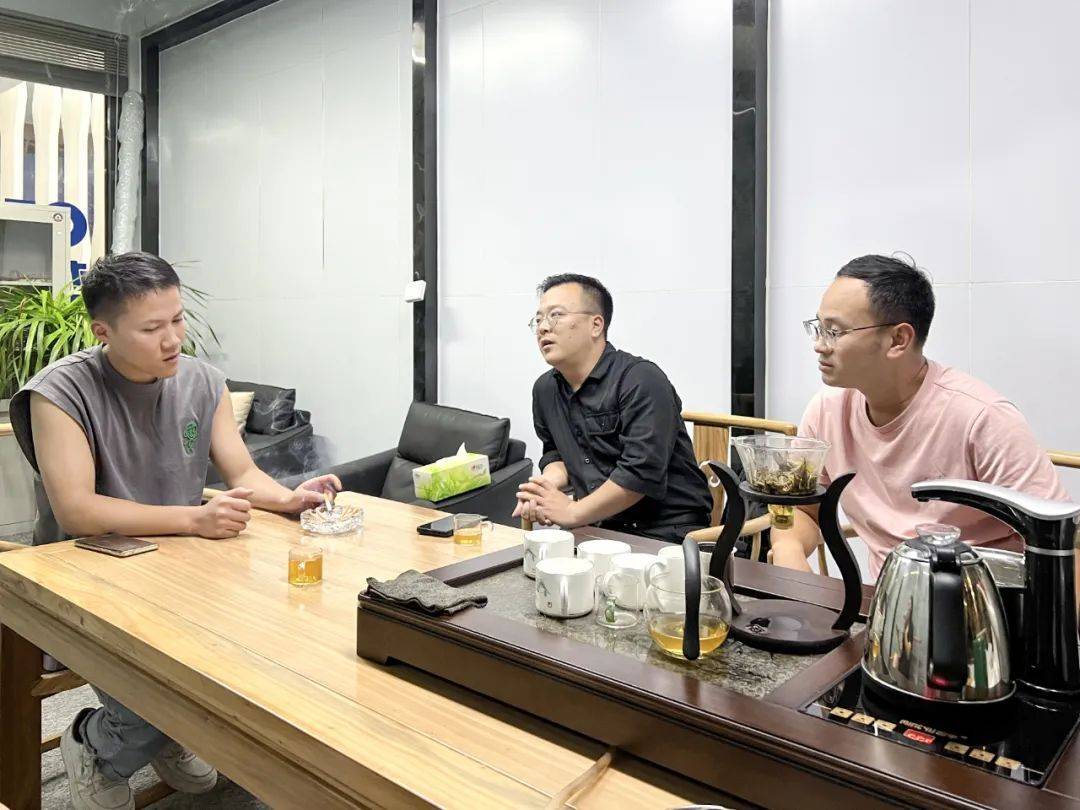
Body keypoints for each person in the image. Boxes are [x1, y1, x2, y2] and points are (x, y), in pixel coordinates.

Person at [9, 251, 340, 810]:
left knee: (255, 658)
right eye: (151, 328)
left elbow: (241, 473)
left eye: (178, 319)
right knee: (166, 690)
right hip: (85, 570)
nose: (173, 340)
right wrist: (193, 519)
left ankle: (168, 734)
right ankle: (95, 744)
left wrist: (288, 498)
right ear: (103, 331)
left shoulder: (203, 382)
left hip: (182, 566)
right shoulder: (60, 392)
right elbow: (78, 512)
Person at [772, 254, 1069, 577]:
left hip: (983, 598)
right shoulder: (827, 409)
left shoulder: (981, 418)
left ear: (898, 340)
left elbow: (1060, 540)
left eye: (834, 331)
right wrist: (790, 553)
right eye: (818, 327)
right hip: (889, 598)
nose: (819, 345)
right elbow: (802, 510)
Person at [513, 273, 712, 542]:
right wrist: (545, 487)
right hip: (597, 527)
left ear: (596, 325)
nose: (543, 328)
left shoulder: (641, 379)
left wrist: (572, 511)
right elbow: (555, 453)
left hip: (666, 532)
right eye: (538, 320)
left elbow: (640, 474)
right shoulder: (545, 390)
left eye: (556, 315)